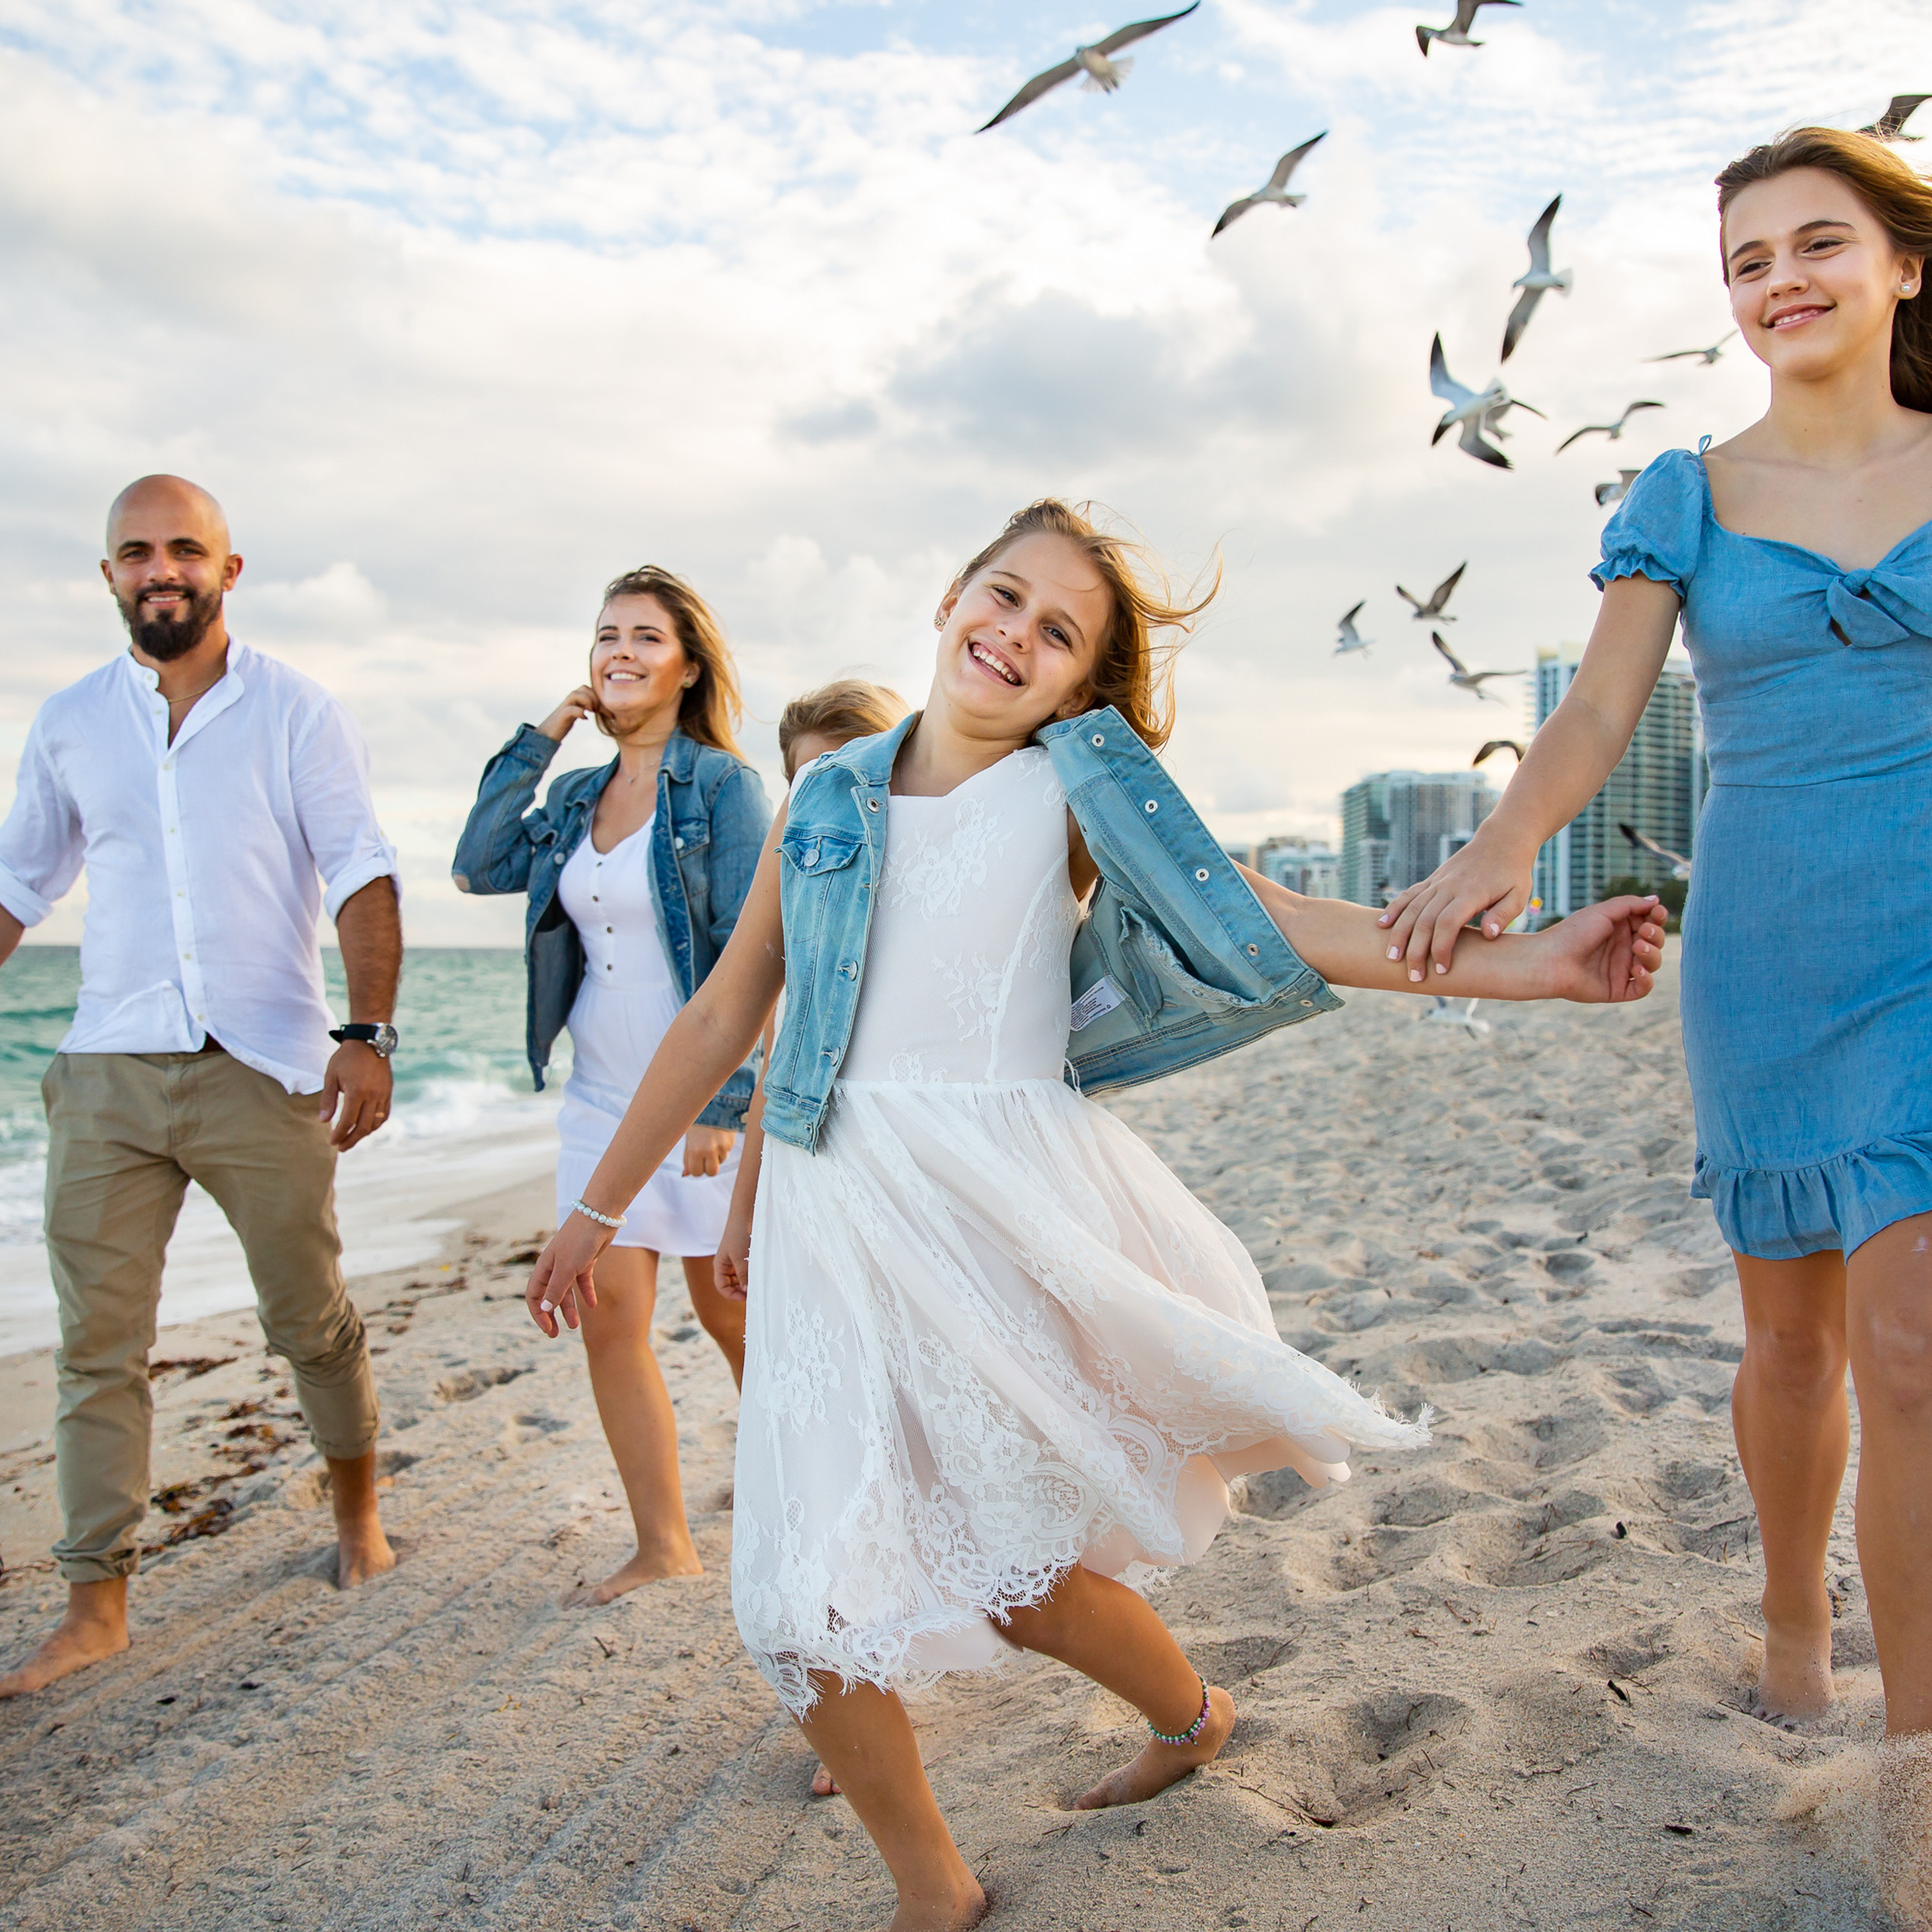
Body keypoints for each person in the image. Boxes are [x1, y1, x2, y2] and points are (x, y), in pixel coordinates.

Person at [523, 498, 1664, 1930]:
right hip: (835, 1214)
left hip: (988, 1209)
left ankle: (1194, 1717)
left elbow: (1269, 920)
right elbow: (721, 1019)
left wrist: (1538, 965)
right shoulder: (824, 800)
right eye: (1004, 596)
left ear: (1075, 687)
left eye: (1057, 633)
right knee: (792, 1604)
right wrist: (598, 1206)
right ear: (952, 595)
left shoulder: (1067, 788)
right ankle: (934, 1887)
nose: (1016, 635)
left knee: (1020, 1571)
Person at [1378, 127, 1932, 1915]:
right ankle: (1787, 1621)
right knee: (1792, 1341)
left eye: (1815, 243)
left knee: (1911, 1341)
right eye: (1746, 259)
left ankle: (1913, 1765)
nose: (1779, 281)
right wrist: (1492, 856)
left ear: (1900, 264)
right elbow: (1592, 714)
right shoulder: (1682, 491)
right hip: (1764, 950)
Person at [0, 475, 403, 1700]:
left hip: (262, 1066)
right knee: (97, 1347)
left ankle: (357, 1514)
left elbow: (360, 868)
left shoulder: (295, 710)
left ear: (229, 570)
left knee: (308, 1319)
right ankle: (95, 1602)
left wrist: (366, 1034)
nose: (160, 569)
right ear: (109, 575)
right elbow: (19, 885)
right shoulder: (71, 721)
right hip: (108, 1069)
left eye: (185, 548)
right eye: (136, 552)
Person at [452, 566, 769, 1603]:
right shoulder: (574, 797)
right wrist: (545, 734)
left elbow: (751, 949)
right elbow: (477, 863)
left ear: (688, 667)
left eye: (645, 636)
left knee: (734, 1318)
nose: (620, 652)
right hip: (598, 1100)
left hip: (699, 1103)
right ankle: (663, 1542)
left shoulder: (720, 787)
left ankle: (796, 1495)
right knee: (609, 1320)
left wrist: (723, 1102)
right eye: (605, 636)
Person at [715, 675, 909, 1804]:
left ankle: (882, 1660)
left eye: (839, 773)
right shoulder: (802, 898)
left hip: (901, 1192)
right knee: (822, 1445)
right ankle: (853, 1678)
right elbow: (772, 1065)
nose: (816, 806)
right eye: (800, 784)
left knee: (890, 1438)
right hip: (806, 1189)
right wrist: (742, 1211)